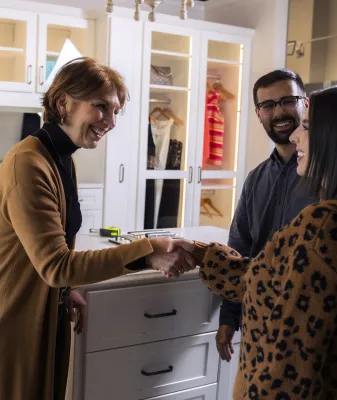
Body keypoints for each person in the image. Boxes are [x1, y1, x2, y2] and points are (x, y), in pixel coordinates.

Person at [170, 84, 337, 399]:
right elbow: (271, 285)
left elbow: (287, 373)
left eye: (306, 127)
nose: (295, 136)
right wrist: (200, 254)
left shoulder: (324, 230)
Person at [0, 57, 193, 400]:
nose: (111, 121)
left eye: (116, 110)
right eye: (101, 106)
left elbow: (56, 253)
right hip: (15, 324)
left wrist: (67, 289)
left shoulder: (62, 160)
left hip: (42, 313)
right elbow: (56, 265)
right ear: (63, 104)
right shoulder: (27, 164)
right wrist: (148, 252)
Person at [217, 69, 313, 361]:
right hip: (257, 324)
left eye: (287, 101)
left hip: (311, 330)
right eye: (268, 105)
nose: (278, 112)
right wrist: (228, 317)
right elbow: (239, 251)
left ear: (305, 104)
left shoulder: (330, 176)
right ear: (258, 114)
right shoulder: (255, 179)